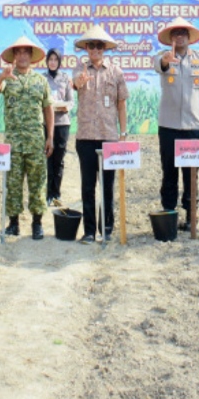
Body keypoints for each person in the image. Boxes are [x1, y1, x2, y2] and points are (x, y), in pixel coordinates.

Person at [154, 17, 199, 232]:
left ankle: (191, 217)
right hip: (169, 127)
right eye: (175, 33)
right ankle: (169, 215)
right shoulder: (163, 58)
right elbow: (158, 65)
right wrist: (166, 60)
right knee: (169, 172)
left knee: (192, 175)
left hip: (193, 127)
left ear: (189, 37)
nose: (179, 36)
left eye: (183, 32)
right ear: (170, 37)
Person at [0, 36, 53, 240]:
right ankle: (13, 223)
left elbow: (48, 109)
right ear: (14, 56)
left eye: (27, 52)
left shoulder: (41, 81)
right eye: (19, 52)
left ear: (31, 56)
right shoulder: (7, 79)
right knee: (14, 184)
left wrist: (50, 136)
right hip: (14, 144)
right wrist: (3, 75)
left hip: (36, 141)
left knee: (38, 183)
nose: (23, 55)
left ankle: (37, 223)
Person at [72, 25, 128, 244]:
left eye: (98, 46)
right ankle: (88, 231)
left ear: (104, 48)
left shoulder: (116, 72)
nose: (94, 50)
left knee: (107, 186)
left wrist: (123, 133)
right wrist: (80, 81)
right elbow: (75, 83)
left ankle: (106, 228)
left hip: (109, 137)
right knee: (87, 186)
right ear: (86, 48)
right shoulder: (80, 68)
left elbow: (121, 104)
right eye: (91, 46)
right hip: (85, 136)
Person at [43, 47, 72, 207]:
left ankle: (56, 193)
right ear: (47, 61)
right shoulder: (42, 78)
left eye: (56, 59)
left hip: (62, 123)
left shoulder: (65, 78)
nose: (53, 62)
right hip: (47, 123)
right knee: (48, 157)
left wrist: (64, 106)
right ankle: (48, 194)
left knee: (59, 160)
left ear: (59, 62)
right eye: (50, 59)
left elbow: (71, 101)